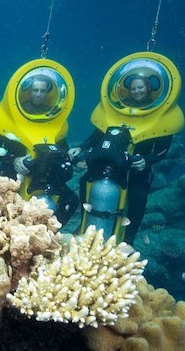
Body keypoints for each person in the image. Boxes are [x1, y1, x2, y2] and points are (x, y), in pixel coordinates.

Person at [70, 73, 173, 244]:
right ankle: (84, 225)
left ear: (148, 87)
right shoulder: (118, 109)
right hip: (112, 163)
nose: (137, 91)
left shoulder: (160, 113)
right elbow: (97, 134)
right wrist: (81, 147)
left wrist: (147, 161)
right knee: (85, 182)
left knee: (138, 199)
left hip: (138, 167)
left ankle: (128, 239)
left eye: (140, 87)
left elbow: (163, 150)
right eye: (133, 88)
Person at [0, 73, 79, 226]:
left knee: (72, 200)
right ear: (29, 91)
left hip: (44, 173)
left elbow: (63, 149)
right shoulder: (10, 115)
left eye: (42, 91)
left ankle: (48, 234)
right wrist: (13, 159)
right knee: (4, 205)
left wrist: (73, 155)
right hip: (13, 170)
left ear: (47, 93)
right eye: (35, 90)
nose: (38, 94)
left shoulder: (53, 116)